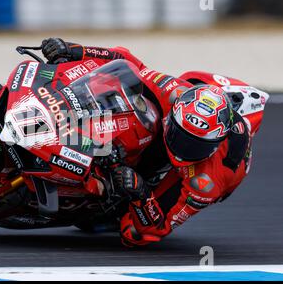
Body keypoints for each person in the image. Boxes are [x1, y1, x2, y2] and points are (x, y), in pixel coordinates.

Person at [41, 38, 254, 247]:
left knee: (132, 233)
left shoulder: (206, 183)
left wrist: (141, 194)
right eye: (181, 136)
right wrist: (74, 50)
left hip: (193, 171)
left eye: (195, 145)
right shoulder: (174, 92)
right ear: (174, 115)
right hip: (175, 115)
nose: (182, 149)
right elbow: (126, 61)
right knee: (121, 92)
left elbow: (158, 228)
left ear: (214, 145)